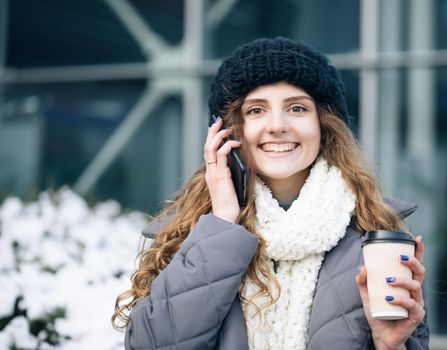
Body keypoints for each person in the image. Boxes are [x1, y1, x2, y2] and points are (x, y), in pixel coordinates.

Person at [112, 37, 429, 350]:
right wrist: (222, 223)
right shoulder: (192, 232)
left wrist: (391, 346)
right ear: (227, 130)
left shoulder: (376, 235)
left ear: (324, 125)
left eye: (296, 108)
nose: (277, 125)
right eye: (256, 111)